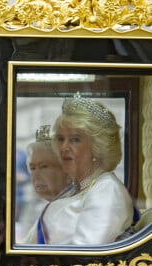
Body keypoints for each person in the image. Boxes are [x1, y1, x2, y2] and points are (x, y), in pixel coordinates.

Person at [36, 93, 133, 245]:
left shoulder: (106, 189)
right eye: (60, 139)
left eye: (75, 139)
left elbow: (85, 254)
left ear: (97, 147)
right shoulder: (78, 188)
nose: (64, 147)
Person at [17, 125, 70, 243]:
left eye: (44, 167)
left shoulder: (74, 207)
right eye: (32, 168)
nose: (36, 176)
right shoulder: (50, 207)